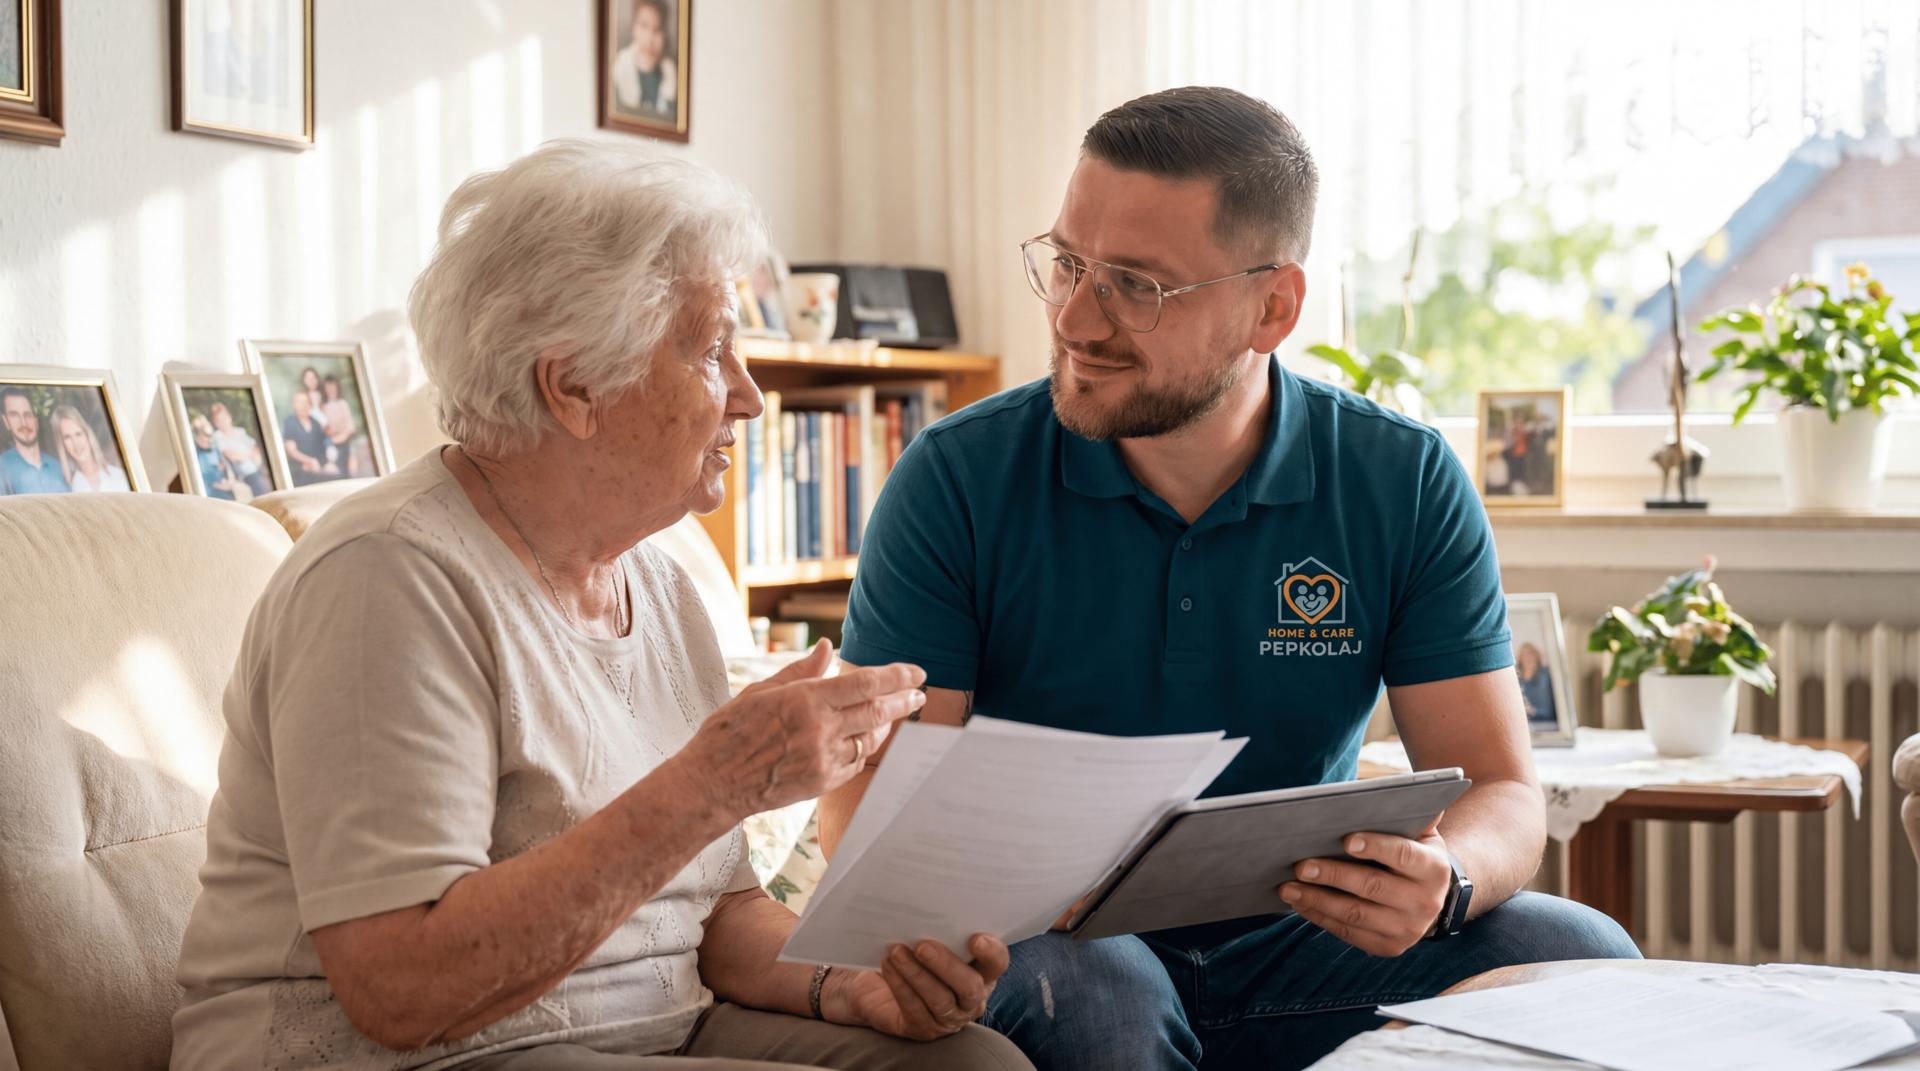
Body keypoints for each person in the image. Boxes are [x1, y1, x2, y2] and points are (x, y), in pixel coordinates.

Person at [822, 87, 1640, 1071]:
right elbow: (872, 816)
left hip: (1301, 946)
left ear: (1273, 307)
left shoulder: (1402, 480)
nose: (1076, 317)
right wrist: (983, 896)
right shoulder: (956, 478)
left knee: (1581, 954)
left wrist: (1447, 878)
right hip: (1052, 946)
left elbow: (1505, 787)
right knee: (1104, 994)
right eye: (1068, 262)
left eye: (1136, 284)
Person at [171, 139, 1032, 1071]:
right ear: (574, 385)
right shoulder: (390, 578)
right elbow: (402, 987)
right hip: (421, 1055)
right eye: (710, 351)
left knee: (972, 1063)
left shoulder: (658, 582)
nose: (747, 395)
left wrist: (847, 981)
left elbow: (714, 916)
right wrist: (715, 781)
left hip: (645, 1033)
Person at [613, 0, 678, 121]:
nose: (650, 38)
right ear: (633, 28)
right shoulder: (617, 70)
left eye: (657, 29)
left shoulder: (672, 74)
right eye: (644, 26)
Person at [0, 386, 70, 494]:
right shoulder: (3, 466)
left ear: (36, 421)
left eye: (27, 415)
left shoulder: (56, 465)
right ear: (6, 421)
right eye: (14, 415)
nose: (23, 423)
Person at [51, 403, 132, 492]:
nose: (75, 443)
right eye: (67, 437)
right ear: (62, 445)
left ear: (88, 434)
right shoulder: (69, 489)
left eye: (78, 434)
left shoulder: (120, 476)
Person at [208, 401, 273, 497]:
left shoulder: (240, 431)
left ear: (229, 417)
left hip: (256, 467)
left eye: (224, 418)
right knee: (261, 487)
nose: (223, 422)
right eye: (219, 420)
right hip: (244, 473)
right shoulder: (218, 437)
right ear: (215, 423)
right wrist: (248, 455)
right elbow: (232, 456)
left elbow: (254, 448)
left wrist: (250, 456)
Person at [281, 388, 340, 485]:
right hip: (301, 468)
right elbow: (291, 451)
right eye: (300, 402)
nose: (304, 405)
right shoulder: (290, 423)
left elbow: (326, 443)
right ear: (294, 405)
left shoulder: (315, 422)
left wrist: (328, 463)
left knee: (333, 472)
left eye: (306, 402)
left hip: (321, 464)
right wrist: (309, 461)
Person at [321, 375, 373, 477]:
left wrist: (340, 436)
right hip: (333, 443)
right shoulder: (324, 406)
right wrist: (331, 435)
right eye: (327, 387)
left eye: (332, 386)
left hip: (345, 440)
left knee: (351, 462)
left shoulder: (342, 404)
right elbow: (326, 427)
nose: (330, 390)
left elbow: (350, 427)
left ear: (337, 387)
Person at [191, 413, 247, 501]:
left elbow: (227, 469)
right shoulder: (195, 455)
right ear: (198, 435)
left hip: (226, 493)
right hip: (211, 496)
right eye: (205, 436)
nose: (208, 440)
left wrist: (229, 482)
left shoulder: (215, 450)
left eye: (210, 436)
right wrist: (220, 485)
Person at [1514, 642, 1558, 728]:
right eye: (1524, 655)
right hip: (1526, 725)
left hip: (1548, 724)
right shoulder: (1518, 679)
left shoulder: (1545, 675)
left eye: (1530, 654)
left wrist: (1533, 711)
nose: (1527, 657)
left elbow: (1549, 710)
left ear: (1537, 656)